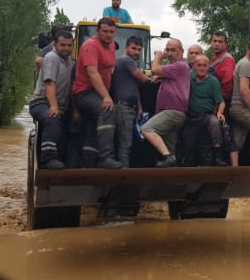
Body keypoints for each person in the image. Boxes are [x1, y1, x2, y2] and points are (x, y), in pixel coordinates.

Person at [72, 17, 123, 169]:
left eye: (112, 32)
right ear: (97, 31)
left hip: (98, 93)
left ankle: (86, 168)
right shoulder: (90, 46)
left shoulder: (112, 45)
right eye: (105, 31)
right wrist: (106, 97)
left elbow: (108, 72)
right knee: (107, 111)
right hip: (84, 92)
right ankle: (106, 157)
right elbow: (92, 73)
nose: (108, 35)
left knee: (92, 131)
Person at [140, 39, 190, 167]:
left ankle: (167, 158)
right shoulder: (172, 69)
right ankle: (173, 174)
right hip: (170, 112)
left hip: (172, 111)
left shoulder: (180, 65)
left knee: (146, 129)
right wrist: (162, 77)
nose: (169, 53)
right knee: (170, 151)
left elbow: (155, 69)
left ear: (182, 52)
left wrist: (157, 57)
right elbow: (160, 74)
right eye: (167, 50)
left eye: (173, 50)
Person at [29, 31, 75, 170]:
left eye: (69, 45)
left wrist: (75, 110)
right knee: (52, 119)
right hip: (41, 102)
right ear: (54, 44)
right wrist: (54, 107)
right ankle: (48, 159)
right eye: (63, 45)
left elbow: (70, 87)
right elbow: (49, 83)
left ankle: (64, 160)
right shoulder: (51, 58)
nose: (66, 48)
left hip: (61, 105)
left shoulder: (69, 61)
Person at [109, 36, 151, 168]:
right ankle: (123, 176)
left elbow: (134, 88)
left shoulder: (129, 63)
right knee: (125, 144)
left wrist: (139, 108)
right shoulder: (126, 60)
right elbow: (143, 80)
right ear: (126, 48)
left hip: (130, 108)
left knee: (127, 143)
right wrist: (156, 78)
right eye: (133, 48)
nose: (137, 52)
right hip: (123, 108)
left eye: (139, 49)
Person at [182, 55, 227, 167]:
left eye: (204, 65)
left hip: (206, 116)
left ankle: (218, 157)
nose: (202, 68)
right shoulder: (189, 77)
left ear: (208, 67)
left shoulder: (213, 81)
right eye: (199, 65)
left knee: (215, 122)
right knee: (189, 148)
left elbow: (221, 101)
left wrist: (220, 112)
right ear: (193, 66)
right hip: (190, 117)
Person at [208, 31, 239, 166]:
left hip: (223, 102)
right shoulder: (213, 60)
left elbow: (227, 82)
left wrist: (220, 103)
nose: (217, 44)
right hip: (217, 101)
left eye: (220, 42)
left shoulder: (227, 59)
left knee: (226, 133)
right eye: (214, 41)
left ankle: (234, 168)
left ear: (225, 44)